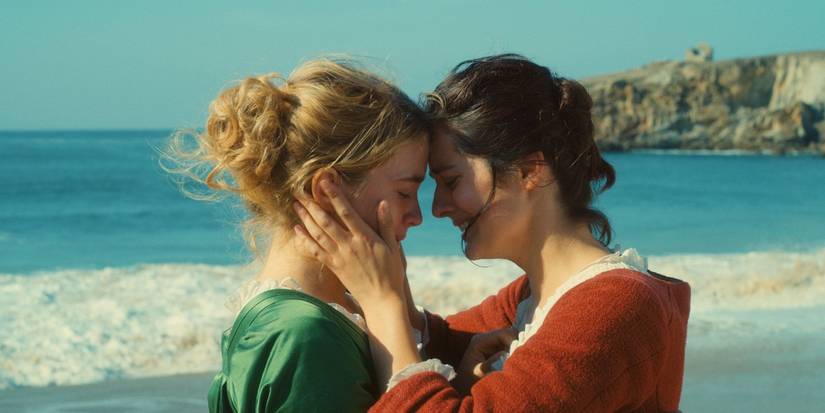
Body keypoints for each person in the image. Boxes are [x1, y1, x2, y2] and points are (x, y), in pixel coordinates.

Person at [292, 54, 691, 412]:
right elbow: (440, 343)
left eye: (451, 181)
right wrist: (385, 278)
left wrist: (381, 300)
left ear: (528, 171)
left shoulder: (615, 305)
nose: (437, 207)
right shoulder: (527, 299)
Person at [165, 58, 431, 412]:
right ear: (326, 191)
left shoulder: (322, 315)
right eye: (404, 192)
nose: (417, 216)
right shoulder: (306, 335)